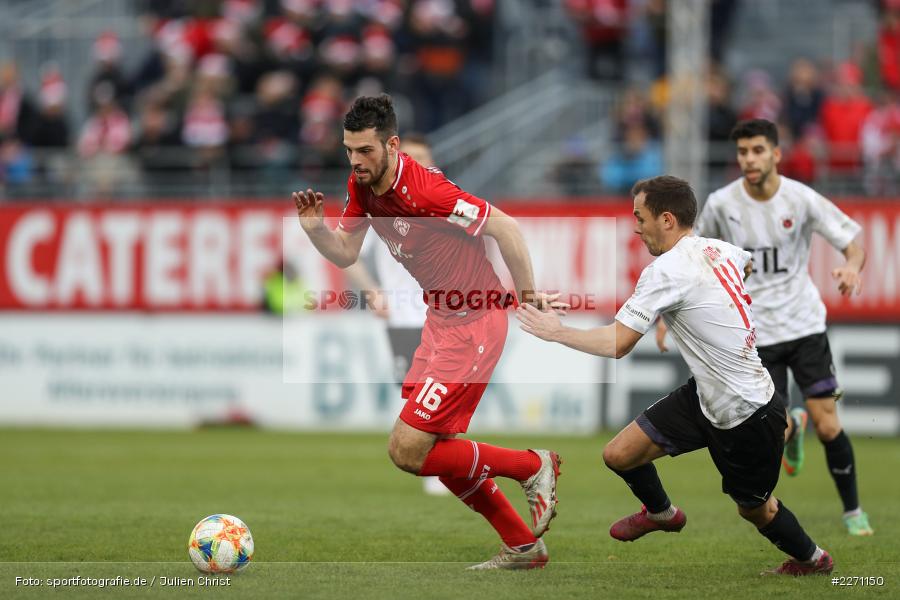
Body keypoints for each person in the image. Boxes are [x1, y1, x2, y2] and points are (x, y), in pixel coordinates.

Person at [293, 94, 566, 570]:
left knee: (408, 448)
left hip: (475, 323)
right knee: (433, 451)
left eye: (366, 151)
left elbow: (506, 228)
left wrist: (526, 294)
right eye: (349, 150)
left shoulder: (428, 194)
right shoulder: (361, 185)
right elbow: (346, 254)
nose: (356, 161)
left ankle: (532, 465)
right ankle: (523, 546)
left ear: (392, 144)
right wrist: (316, 230)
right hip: (440, 322)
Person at [516, 175, 834, 576]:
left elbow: (618, 343)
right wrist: (688, 313)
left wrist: (557, 332)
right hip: (706, 396)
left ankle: (813, 559)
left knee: (754, 507)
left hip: (746, 413)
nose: (636, 225)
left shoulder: (665, 271)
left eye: (640, 217)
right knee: (619, 454)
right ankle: (662, 513)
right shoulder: (720, 249)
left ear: (666, 219)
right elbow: (747, 265)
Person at [675, 118, 873, 537]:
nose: (749, 159)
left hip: (804, 326)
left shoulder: (800, 200)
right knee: (774, 433)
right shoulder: (723, 204)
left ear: (776, 154)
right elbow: (692, 256)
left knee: (829, 423)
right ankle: (790, 435)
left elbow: (853, 245)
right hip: (755, 335)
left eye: (758, 150)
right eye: (743, 152)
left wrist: (851, 269)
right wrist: (668, 314)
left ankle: (854, 511)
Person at [342, 133, 448, 496]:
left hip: (443, 315)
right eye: (411, 158)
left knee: (438, 395)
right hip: (402, 316)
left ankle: (442, 469)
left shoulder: (443, 203)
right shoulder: (381, 208)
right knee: (414, 394)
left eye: (423, 158)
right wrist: (372, 291)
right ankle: (435, 463)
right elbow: (348, 254)